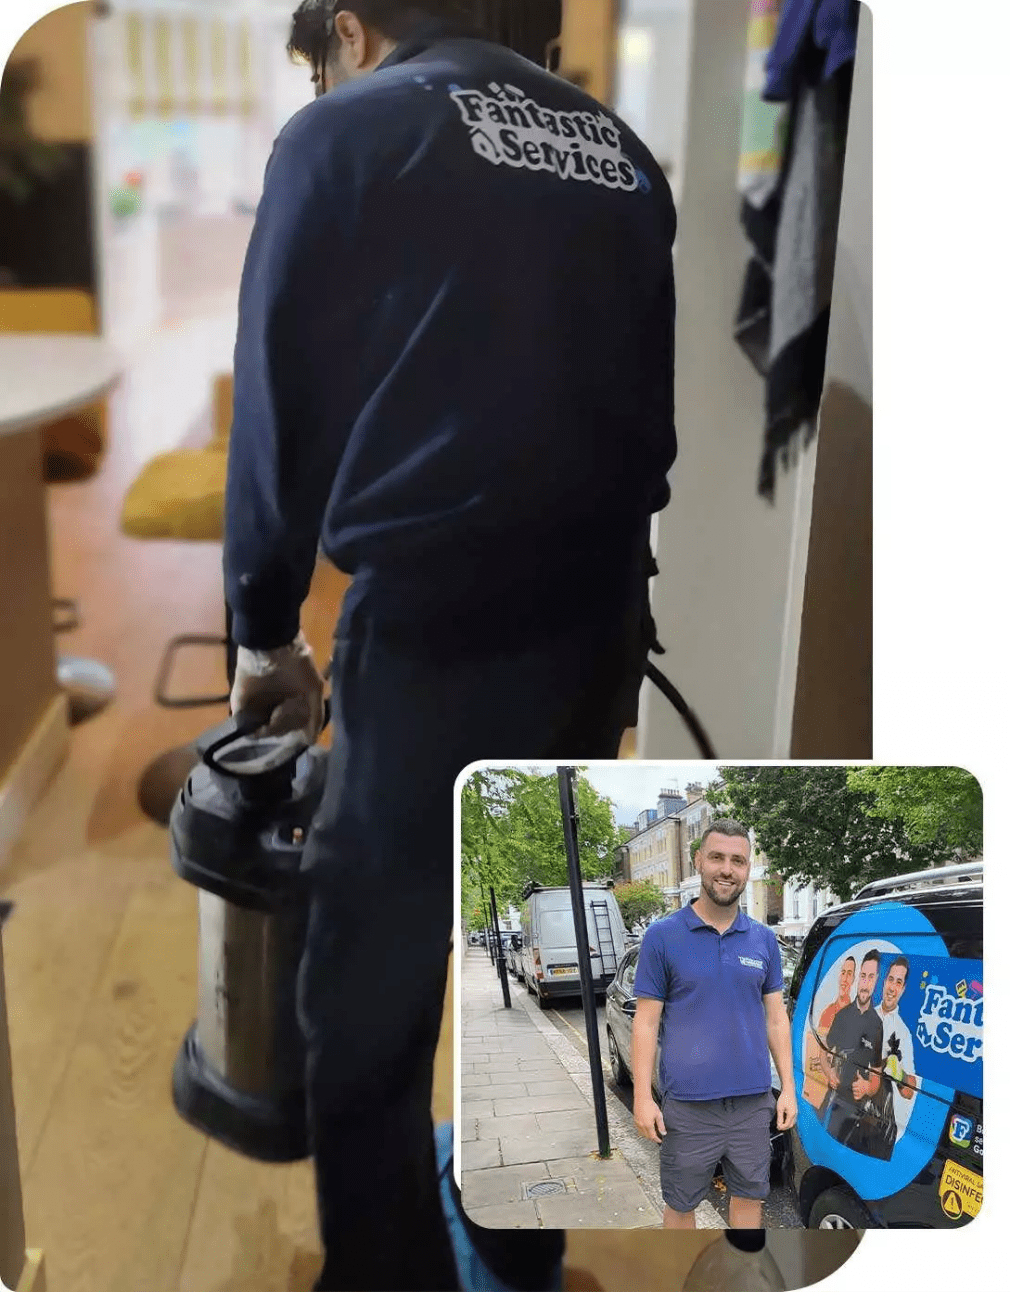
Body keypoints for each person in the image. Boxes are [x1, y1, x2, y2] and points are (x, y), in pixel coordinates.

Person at [223, 3, 678, 1289]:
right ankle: (512, 1255)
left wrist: (262, 626)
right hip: (596, 622)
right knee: (537, 960)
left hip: (436, 631)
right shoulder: (617, 148)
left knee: (365, 995)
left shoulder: (344, 134)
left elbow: (277, 410)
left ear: (353, 32)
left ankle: (387, 1274)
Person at [630, 820, 798, 1230]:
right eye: (718, 857)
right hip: (687, 1107)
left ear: (747, 868)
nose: (727, 869)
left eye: (738, 860)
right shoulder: (662, 937)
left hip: (751, 1105)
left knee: (749, 1201)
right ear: (698, 862)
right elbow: (646, 1023)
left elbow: (777, 1018)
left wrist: (789, 1088)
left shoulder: (763, 940)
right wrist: (641, 1097)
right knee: (681, 1206)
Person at [819, 949, 884, 1147]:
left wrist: (867, 1087)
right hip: (834, 1100)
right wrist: (829, 1072)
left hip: (860, 1111)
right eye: (863, 976)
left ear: (876, 980)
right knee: (825, 1151)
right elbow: (824, 1051)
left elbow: (877, 1077)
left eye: (871, 977)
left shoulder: (878, 1024)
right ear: (859, 978)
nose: (865, 983)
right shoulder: (842, 1015)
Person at [801, 954, 854, 1110]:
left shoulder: (856, 1012)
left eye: (849, 974)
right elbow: (818, 1054)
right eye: (843, 972)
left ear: (853, 979)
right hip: (826, 1092)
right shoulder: (829, 1013)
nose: (845, 979)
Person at [876, 954, 918, 1139]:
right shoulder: (865, 1014)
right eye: (890, 979)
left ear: (903, 989)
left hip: (879, 1121)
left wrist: (899, 1075)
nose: (892, 988)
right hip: (848, 1106)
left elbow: (910, 1092)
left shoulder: (903, 1033)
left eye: (898, 982)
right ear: (884, 981)